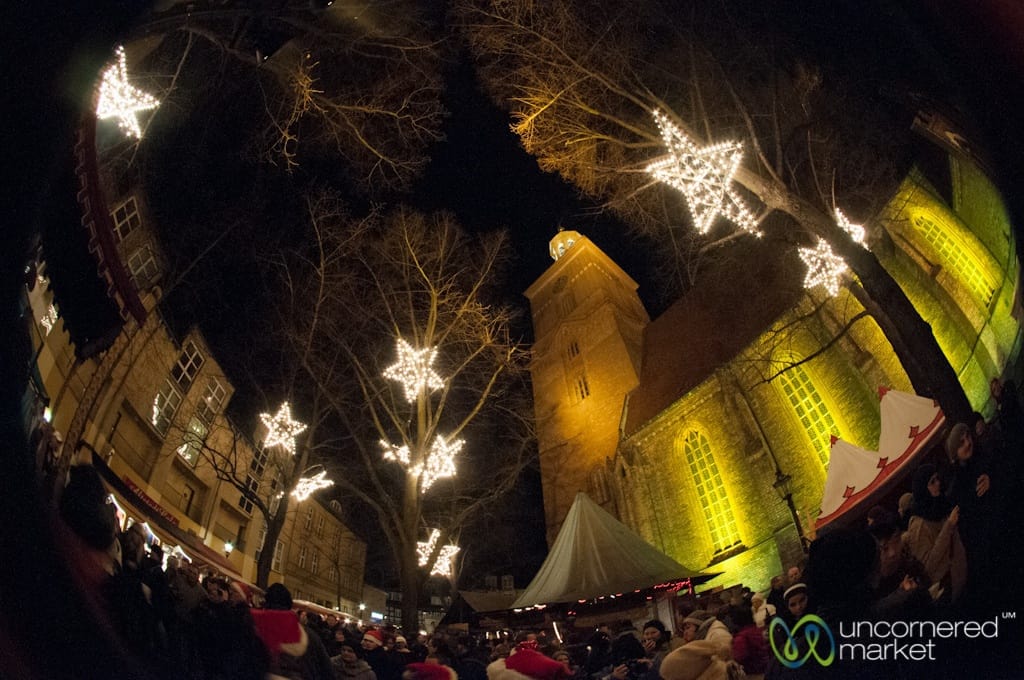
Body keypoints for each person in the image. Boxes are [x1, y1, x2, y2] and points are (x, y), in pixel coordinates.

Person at [903, 463, 967, 604]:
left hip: (960, 576)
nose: (938, 483)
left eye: (937, 479)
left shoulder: (940, 505)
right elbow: (928, 565)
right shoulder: (919, 524)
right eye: (932, 482)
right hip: (948, 587)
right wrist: (949, 526)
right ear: (923, 489)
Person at [729, 605, 768, 679]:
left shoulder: (741, 638)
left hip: (754, 674)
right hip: (766, 669)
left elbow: (739, 657)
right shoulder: (758, 630)